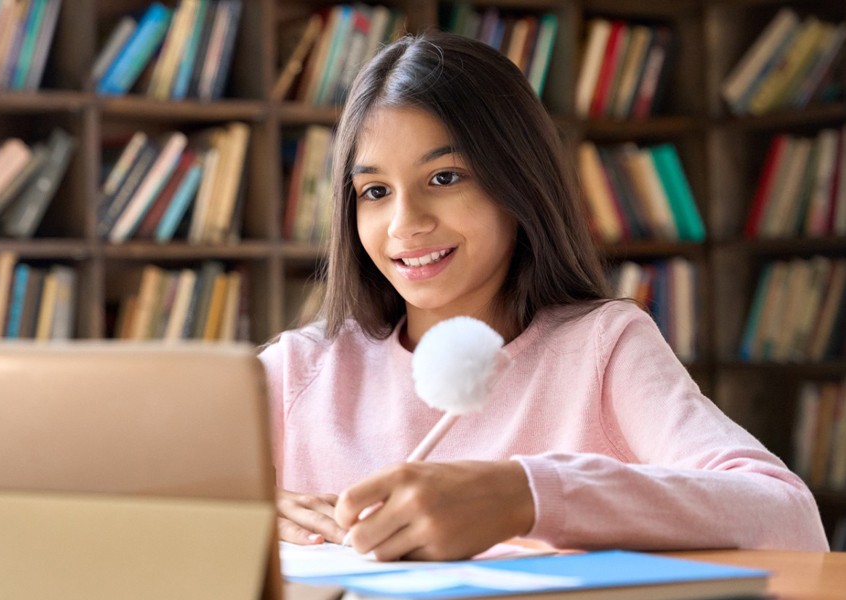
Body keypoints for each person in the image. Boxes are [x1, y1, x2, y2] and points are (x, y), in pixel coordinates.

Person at [258, 30, 828, 562]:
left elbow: (790, 519)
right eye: (375, 191)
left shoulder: (601, 349)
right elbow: (169, 505)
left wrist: (527, 495)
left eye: (445, 178)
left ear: (517, 180)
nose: (404, 224)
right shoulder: (297, 370)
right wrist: (246, 514)